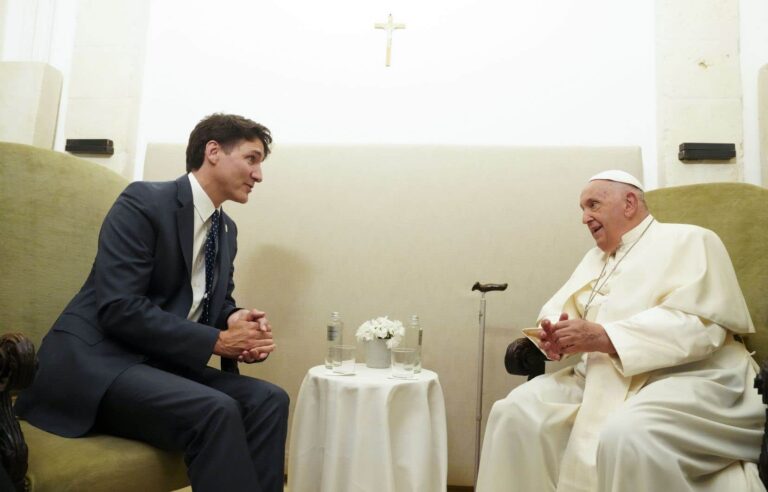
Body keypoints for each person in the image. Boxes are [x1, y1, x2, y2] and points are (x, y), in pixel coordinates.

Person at [15, 113, 289, 492]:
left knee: (269, 399)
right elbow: (119, 307)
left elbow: (213, 300)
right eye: (251, 159)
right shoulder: (144, 201)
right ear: (213, 151)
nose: (258, 175)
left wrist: (236, 319)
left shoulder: (226, 230)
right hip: (100, 363)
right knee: (217, 408)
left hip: (158, 365)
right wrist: (216, 342)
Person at [476, 170, 765, 492]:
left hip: (687, 376)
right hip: (598, 376)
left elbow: (702, 328)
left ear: (629, 203)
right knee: (514, 413)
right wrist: (555, 337)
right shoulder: (595, 258)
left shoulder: (691, 239)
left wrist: (606, 337)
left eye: (593, 205)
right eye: (582, 209)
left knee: (628, 435)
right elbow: (561, 311)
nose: (585, 218)